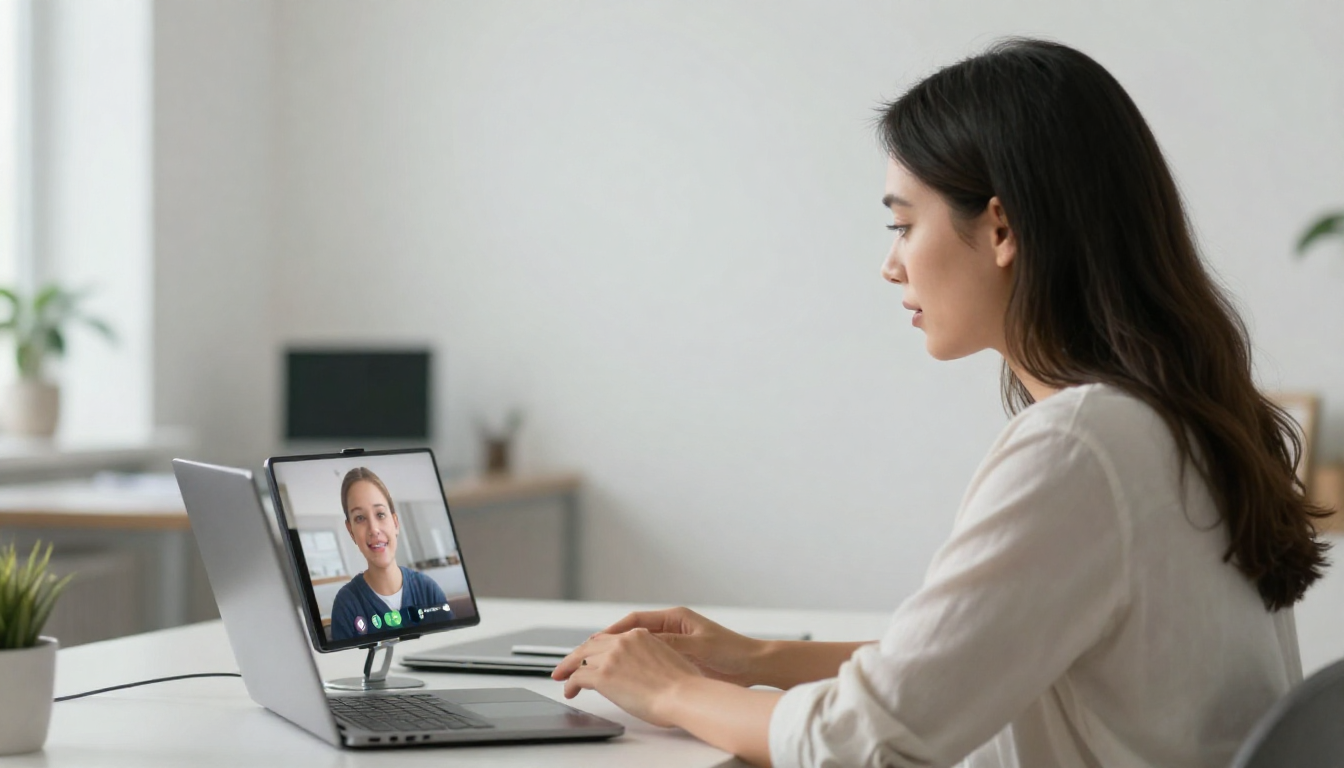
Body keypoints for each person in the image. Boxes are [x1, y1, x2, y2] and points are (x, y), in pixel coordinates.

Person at [551, 39, 1331, 768]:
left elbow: (864, 744)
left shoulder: (1084, 445)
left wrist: (670, 691)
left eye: (903, 223)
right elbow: (971, 663)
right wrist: (755, 661)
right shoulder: (1183, 419)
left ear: (1000, 227)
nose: (890, 266)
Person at [330, 467, 449, 641]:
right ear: (351, 532)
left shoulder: (427, 589)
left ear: (395, 523)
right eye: (360, 518)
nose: (374, 529)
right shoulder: (346, 604)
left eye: (380, 514)